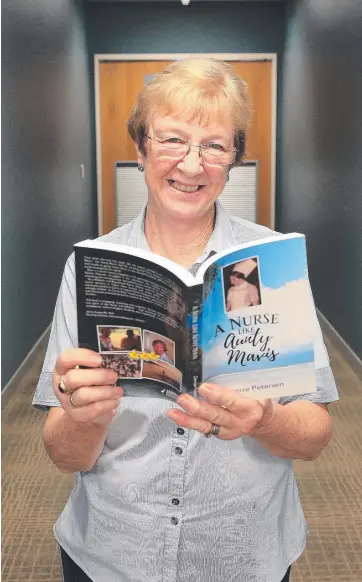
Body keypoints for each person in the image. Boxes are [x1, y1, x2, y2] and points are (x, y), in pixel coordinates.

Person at [33, 58, 339, 582]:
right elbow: (67, 458)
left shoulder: (270, 261)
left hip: (243, 555)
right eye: (172, 139)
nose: (192, 165)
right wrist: (85, 415)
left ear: (234, 159)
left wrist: (263, 419)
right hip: (112, 555)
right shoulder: (90, 267)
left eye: (215, 146)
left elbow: (313, 437)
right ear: (141, 148)